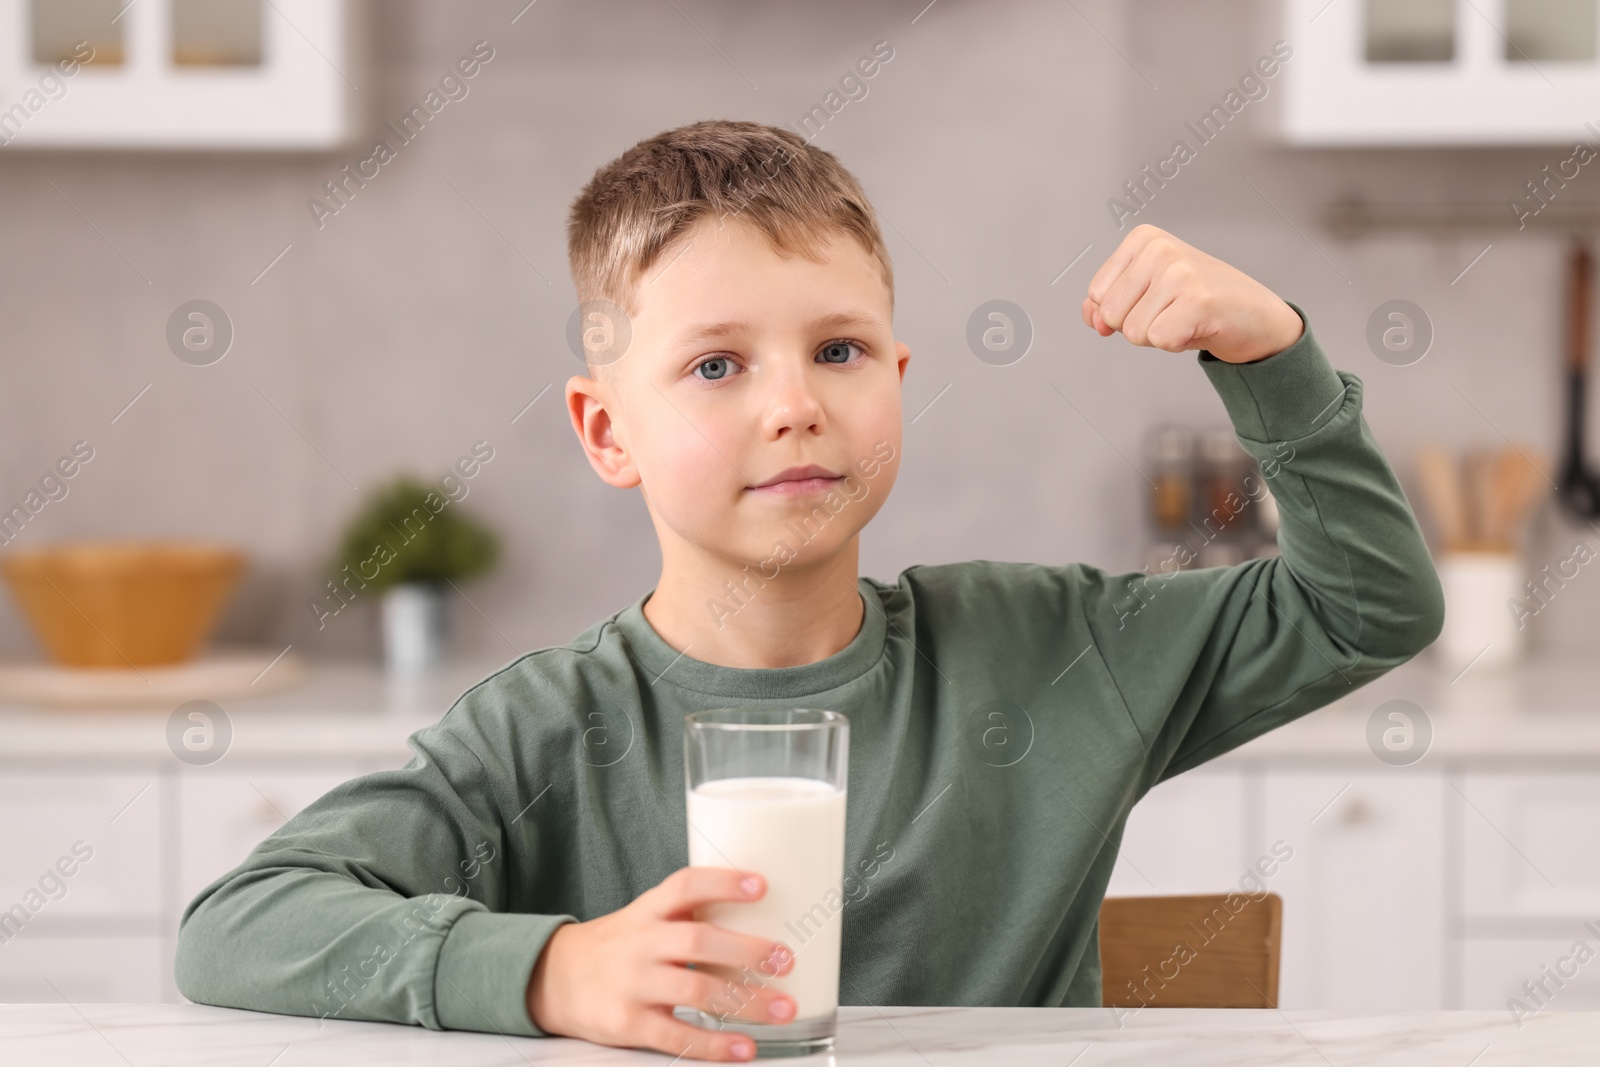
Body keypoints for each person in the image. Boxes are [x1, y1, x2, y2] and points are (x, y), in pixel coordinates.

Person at [174, 119, 1444, 1062]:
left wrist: (1270, 354)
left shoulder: (1054, 649)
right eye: (716, 364)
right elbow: (238, 921)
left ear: (896, 373)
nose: (794, 405)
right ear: (605, 429)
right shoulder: (541, 729)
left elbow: (1369, 604)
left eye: (837, 350)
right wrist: (551, 967)